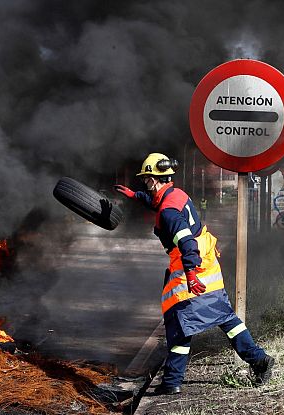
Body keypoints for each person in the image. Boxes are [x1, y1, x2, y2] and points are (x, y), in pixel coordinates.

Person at [114, 152, 274, 395]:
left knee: (178, 320)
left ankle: (172, 383)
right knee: (225, 317)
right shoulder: (176, 194)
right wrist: (135, 196)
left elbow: (187, 242)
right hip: (207, 264)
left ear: (154, 180)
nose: (145, 184)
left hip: (192, 268)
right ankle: (259, 360)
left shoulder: (168, 212)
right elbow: (158, 202)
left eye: (146, 180)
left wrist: (190, 273)